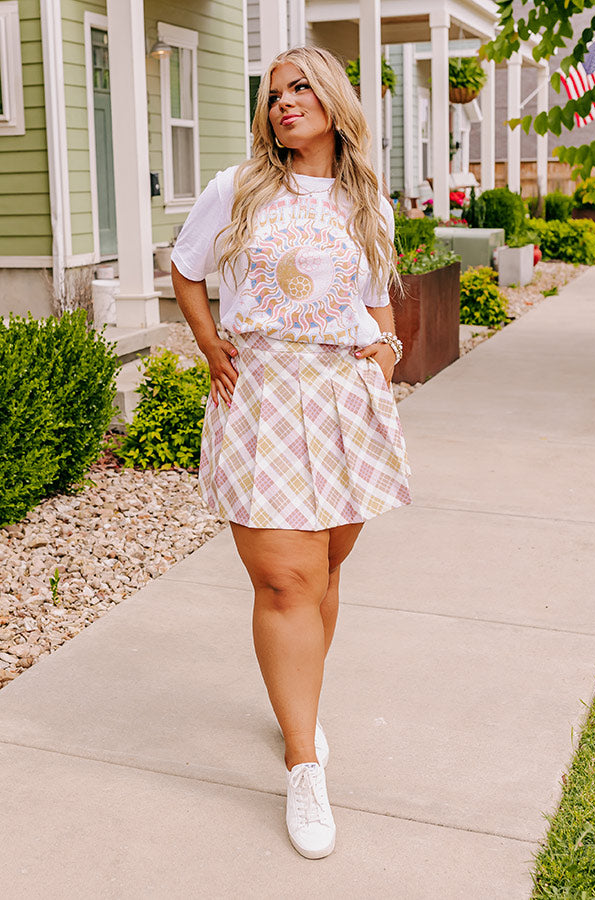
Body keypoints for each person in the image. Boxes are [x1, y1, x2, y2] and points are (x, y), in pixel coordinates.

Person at [171, 46, 411, 860]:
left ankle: (297, 708)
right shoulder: (237, 188)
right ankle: (304, 764)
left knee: (327, 570)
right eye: (273, 92)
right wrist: (210, 343)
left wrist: (385, 356)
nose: (283, 102)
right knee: (285, 579)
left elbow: (376, 303)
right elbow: (186, 268)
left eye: (300, 87)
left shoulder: (366, 202)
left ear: (334, 100)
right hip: (264, 397)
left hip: (344, 401)